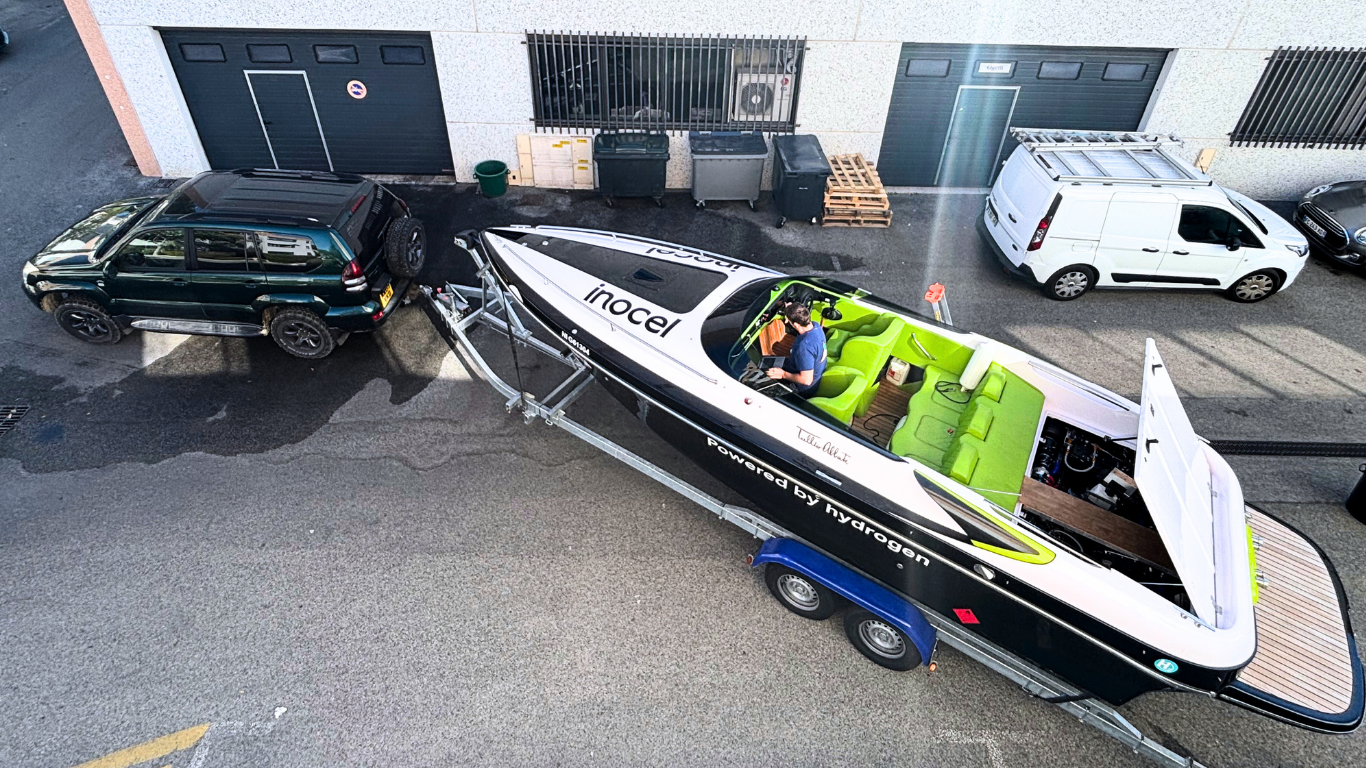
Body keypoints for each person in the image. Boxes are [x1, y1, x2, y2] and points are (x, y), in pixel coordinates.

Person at [766, 302, 826, 396]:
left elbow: (806, 380)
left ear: (796, 325)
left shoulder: (804, 347)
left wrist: (783, 374)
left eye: (788, 320)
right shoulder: (816, 326)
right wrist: (790, 309)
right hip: (809, 374)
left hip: (801, 389)